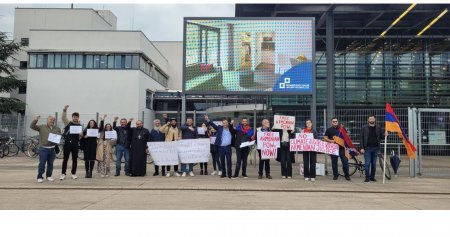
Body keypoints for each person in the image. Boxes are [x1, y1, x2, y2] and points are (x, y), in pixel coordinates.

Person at [30, 115, 61, 183]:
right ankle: (40, 176)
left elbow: (59, 136)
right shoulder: (41, 127)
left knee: (50, 164)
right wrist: (36, 119)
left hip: (52, 149)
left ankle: (49, 176)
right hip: (43, 149)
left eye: (53, 120)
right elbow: (32, 126)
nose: (52, 121)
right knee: (42, 164)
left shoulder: (57, 128)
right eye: (50, 119)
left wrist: (57, 140)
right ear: (47, 120)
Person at [205, 115, 235, 179]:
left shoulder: (231, 129)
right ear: (222, 123)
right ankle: (223, 174)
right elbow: (213, 125)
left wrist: (231, 124)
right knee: (222, 161)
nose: (225, 124)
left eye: (226, 123)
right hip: (221, 147)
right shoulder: (219, 128)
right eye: (223, 123)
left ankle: (229, 174)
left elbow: (233, 130)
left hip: (228, 147)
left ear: (228, 123)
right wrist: (208, 120)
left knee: (229, 161)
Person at [60, 105, 82, 180]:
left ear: (78, 118)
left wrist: (81, 135)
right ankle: (63, 173)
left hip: (75, 144)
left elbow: (80, 137)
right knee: (65, 159)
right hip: (67, 144)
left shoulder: (79, 126)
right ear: (72, 117)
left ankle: (73, 173)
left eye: (77, 117)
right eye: (74, 117)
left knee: (75, 159)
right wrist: (65, 109)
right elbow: (63, 117)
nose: (75, 118)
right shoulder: (68, 123)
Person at [360, 115, 384, 182]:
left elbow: (381, 137)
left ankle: (372, 177)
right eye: (370, 119)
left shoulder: (378, 127)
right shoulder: (364, 127)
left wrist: (386, 135)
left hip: (376, 148)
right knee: (367, 163)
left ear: (374, 120)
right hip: (367, 148)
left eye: (372, 119)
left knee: (373, 164)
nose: (371, 120)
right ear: (368, 120)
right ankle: (367, 177)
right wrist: (361, 148)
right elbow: (361, 138)